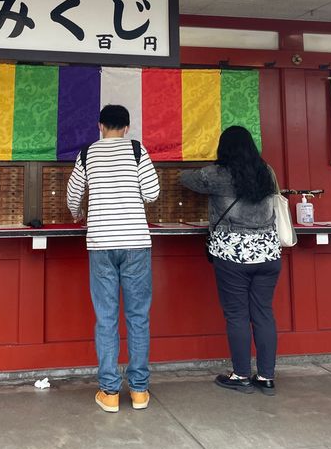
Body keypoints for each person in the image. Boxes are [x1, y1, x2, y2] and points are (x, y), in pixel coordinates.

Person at [66, 104, 160, 413]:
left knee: (106, 317)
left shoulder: (87, 153)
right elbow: (152, 193)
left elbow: (72, 194)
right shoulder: (136, 150)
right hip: (135, 242)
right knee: (138, 316)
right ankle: (139, 391)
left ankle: (109, 392)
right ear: (127, 128)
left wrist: (79, 214)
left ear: (100, 126)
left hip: (101, 244)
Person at [180, 126, 280, 395]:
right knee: (263, 313)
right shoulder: (266, 171)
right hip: (268, 252)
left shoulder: (217, 174)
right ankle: (267, 377)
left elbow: (184, 178)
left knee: (237, 314)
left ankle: (241, 375)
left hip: (233, 252)